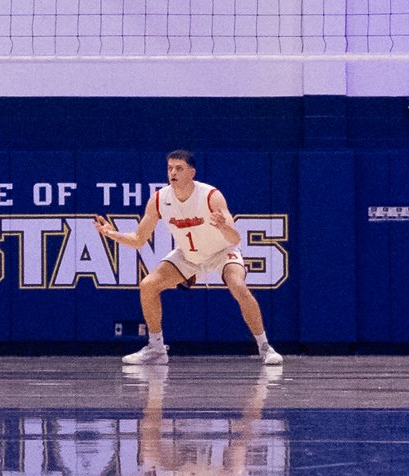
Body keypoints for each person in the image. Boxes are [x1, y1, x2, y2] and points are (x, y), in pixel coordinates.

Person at [99, 149, 281, 367]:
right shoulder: (159, 199)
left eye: (179, 168)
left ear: (191, 172)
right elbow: (138, 239)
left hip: (222, 252)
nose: (173, 173)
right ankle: (156, 348)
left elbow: (235, 238)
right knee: (148, 285)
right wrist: (112, 234)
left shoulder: (211, 196)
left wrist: (223, 226)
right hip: (189, 255)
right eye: (170, 168)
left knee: (238, 286)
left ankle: (265, 347)